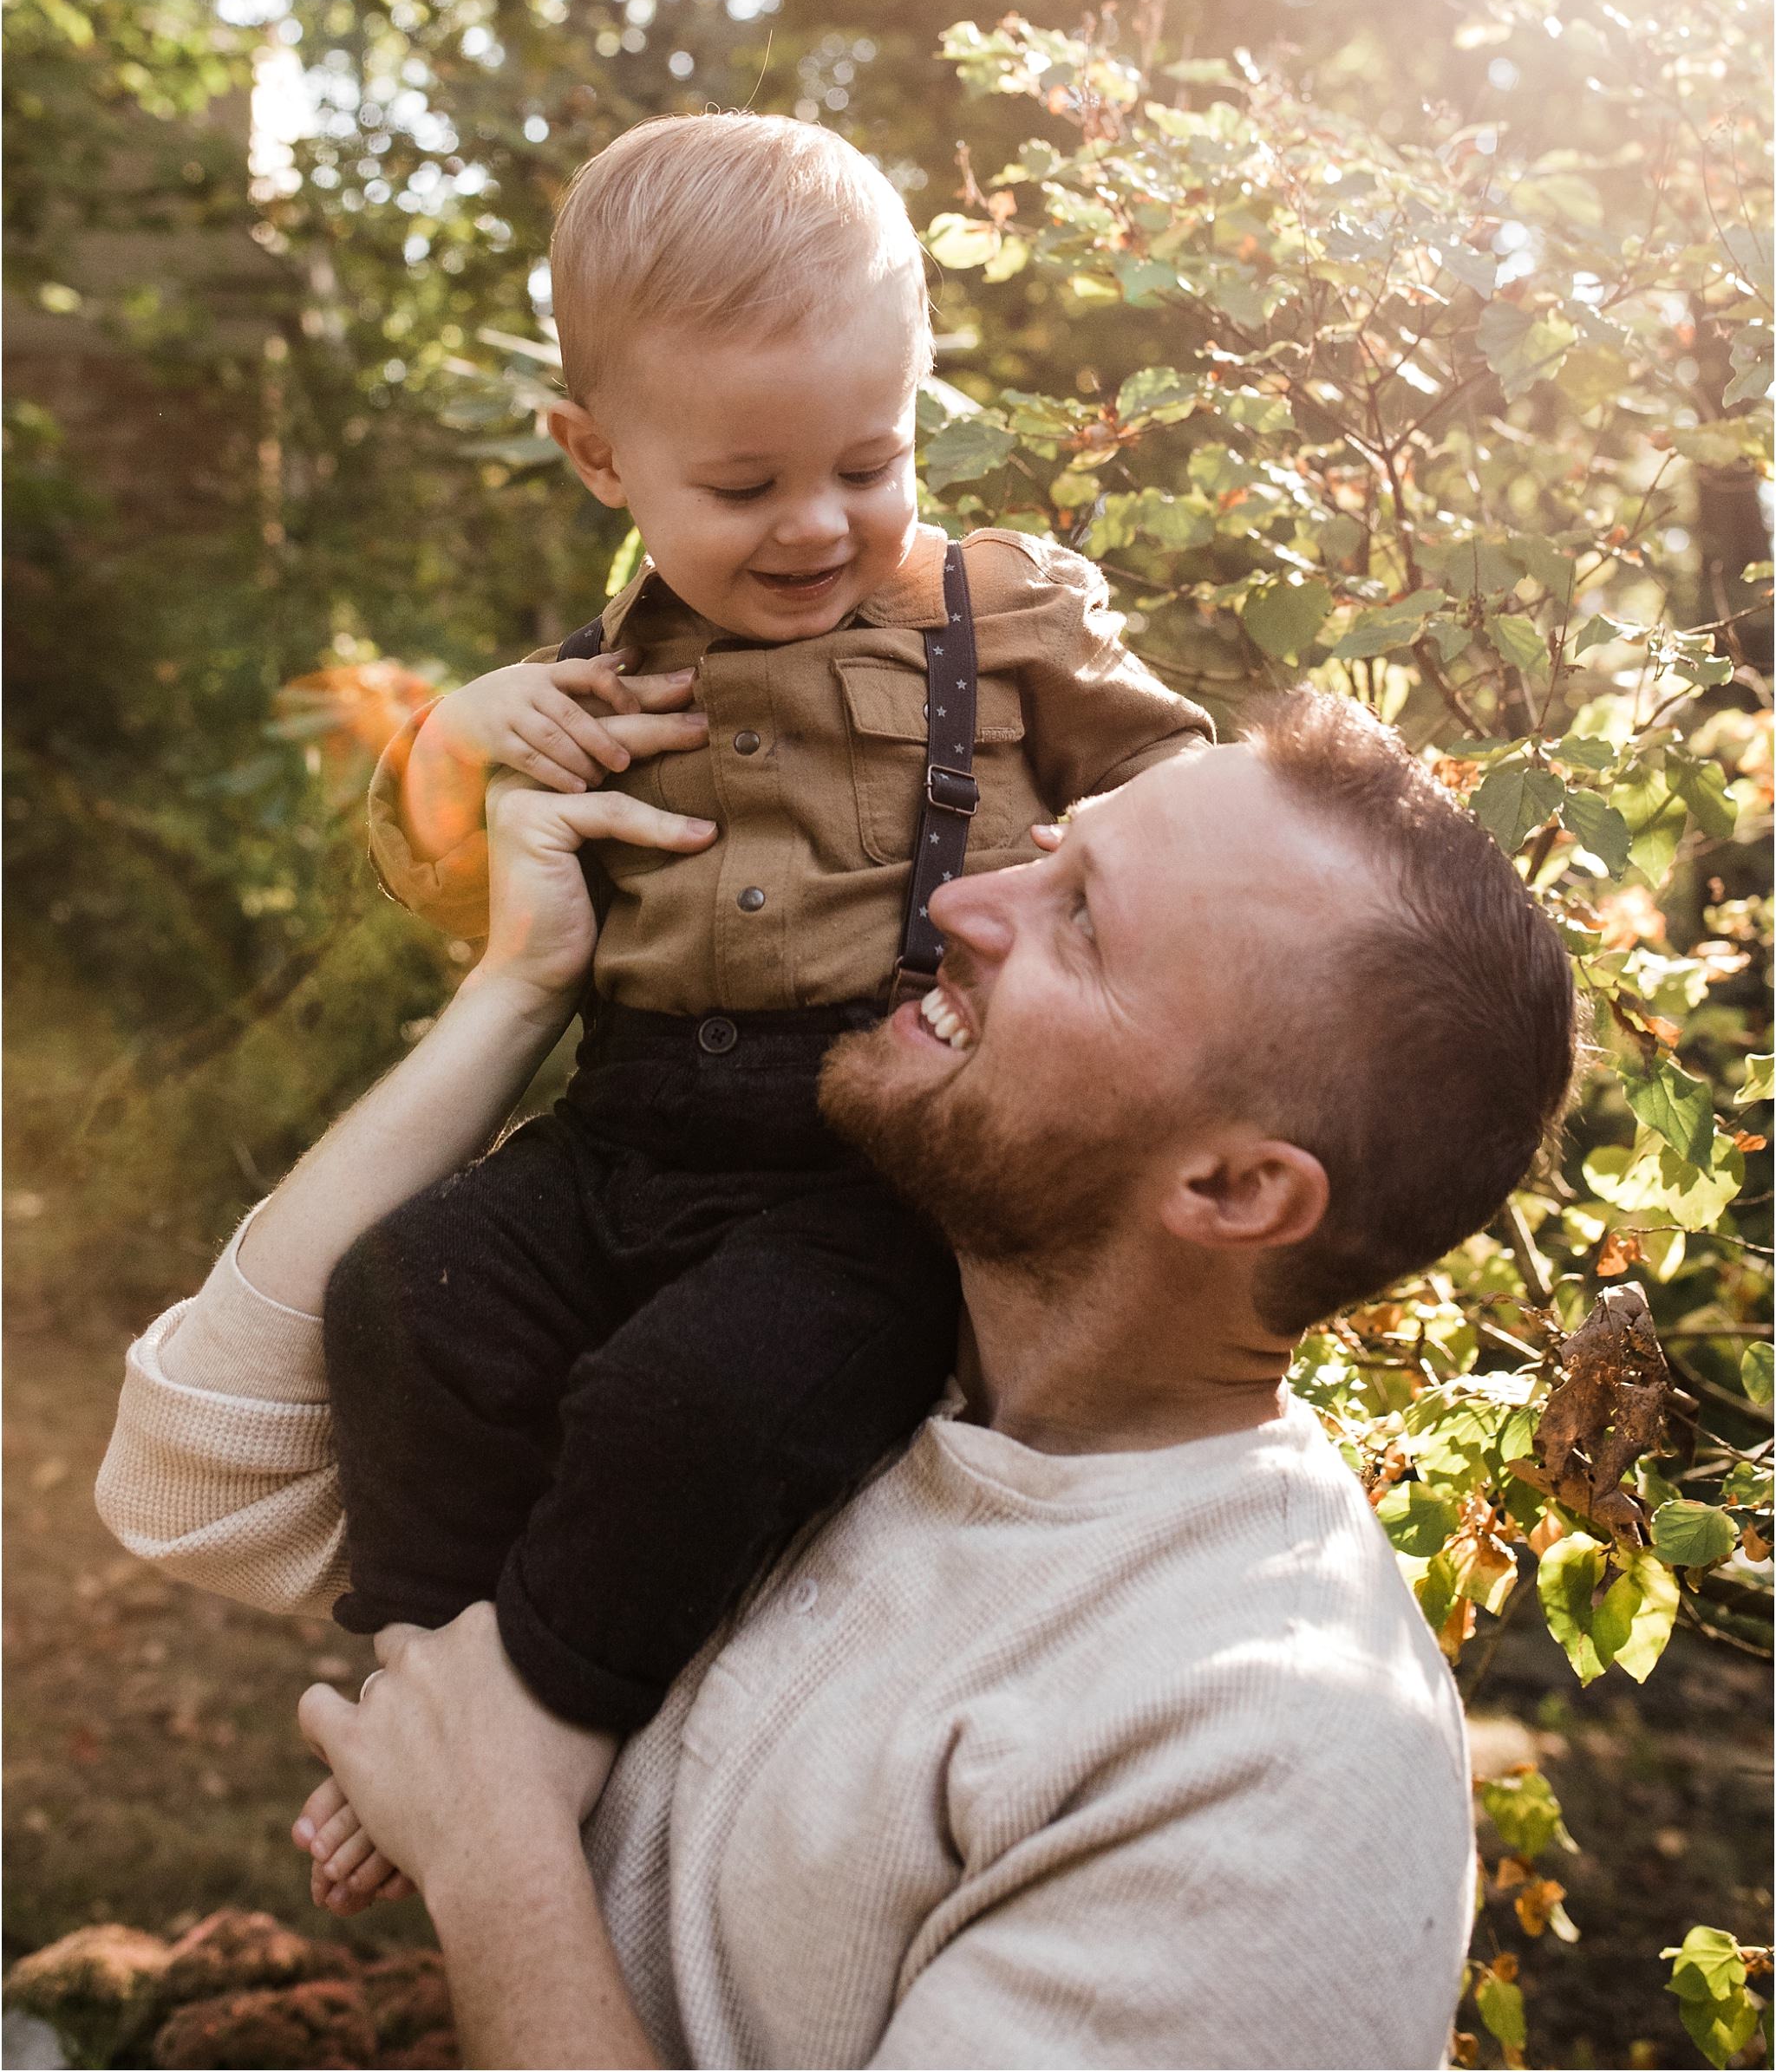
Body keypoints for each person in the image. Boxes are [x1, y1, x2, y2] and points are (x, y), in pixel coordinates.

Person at [97, 688, 1577, 2069]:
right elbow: (199, 1479)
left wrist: (494, 1847)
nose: (954, 900)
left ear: (1238, 1186)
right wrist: (520, 988)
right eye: (1050, 845)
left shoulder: (1272, 1755)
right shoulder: (800, 1360)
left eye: (1078, 924)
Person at [320, 108, 1212, 1796]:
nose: (815, 523)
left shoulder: (996, 607)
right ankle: (429, 1670)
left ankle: (538, 1721)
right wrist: (448, 748)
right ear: (599, 456)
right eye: (743, 485)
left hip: (873, 1154)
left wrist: (1127, 897)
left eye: (867, 465)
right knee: (406, 1291)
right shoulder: (584, 676)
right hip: (626, 1130)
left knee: (694, 1402)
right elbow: (464, 903)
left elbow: (1181, 785)